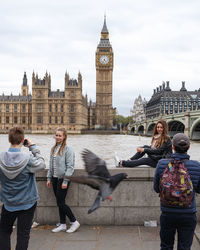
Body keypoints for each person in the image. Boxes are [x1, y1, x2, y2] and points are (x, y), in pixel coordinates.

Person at [0, 127, 46, 250]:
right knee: (23, 235)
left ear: (9, 139)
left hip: (8, 202)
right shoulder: (27, 159)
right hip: (27, 203)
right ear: (22, 141)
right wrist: (33, 147)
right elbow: (42, 164)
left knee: (4, 232)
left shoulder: (0, 157)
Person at [154, 133, 200, 250]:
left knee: (166, 246)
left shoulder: (161, 164)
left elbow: (156, 188)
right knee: (184, 247)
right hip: (188, 213)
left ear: (173, 147)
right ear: (188, 147)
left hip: (167, 212)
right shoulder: (197, 166)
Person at [46, 127, 80, 233]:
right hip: (55, 179)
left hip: (63, 179)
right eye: (56, 135)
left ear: (64, 137)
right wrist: (48, 178)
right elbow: (50, 165)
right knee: (59, 202)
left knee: (61, 203)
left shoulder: (68, 150)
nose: (57, 137)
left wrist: (65, 181)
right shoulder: (54, 148)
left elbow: (70, 167)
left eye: (60, 135)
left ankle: (74, 222)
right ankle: (63, 224)